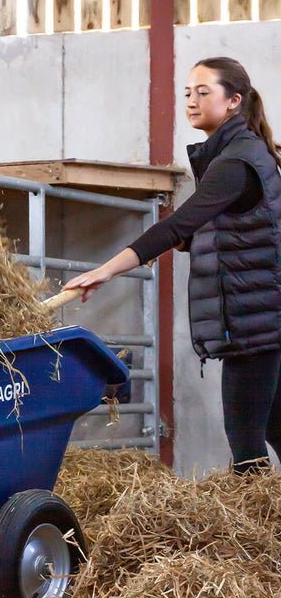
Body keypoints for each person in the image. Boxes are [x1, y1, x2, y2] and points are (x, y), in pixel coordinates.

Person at [63, 57, 281, 474]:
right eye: (187, 93)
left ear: (234, 100)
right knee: (274, 425)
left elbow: (178, 224)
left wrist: (107, 270)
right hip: (263, 315)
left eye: (204, 92)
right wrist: (189, 241)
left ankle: (255, 529)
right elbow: (232, 233)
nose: (192, 101)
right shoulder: (239, 153)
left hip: (256, 322)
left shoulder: (236, 162)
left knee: (246, 442)